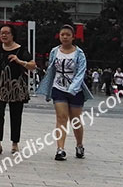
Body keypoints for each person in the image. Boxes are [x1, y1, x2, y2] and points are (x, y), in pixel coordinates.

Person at [37, 24, 93, 160]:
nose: (65, 37)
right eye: (62, 34)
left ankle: (79, 145)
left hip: (76, 90)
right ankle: (60, 149)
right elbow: (51, 69)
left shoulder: (79, 53)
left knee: (75, 119)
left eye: (68, 34)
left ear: (73, 37)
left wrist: (73, 88)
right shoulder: (54, 51)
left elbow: (81, 72)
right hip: (58, 88)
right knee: (61, 117)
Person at [0, 24, 36, 155]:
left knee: (16, 115)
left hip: (16, 87)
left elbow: (32, 65)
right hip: (0, 86)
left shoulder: (21, 50)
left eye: (7, 33)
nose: (4, 35)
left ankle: (15, 144)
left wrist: (20, 61)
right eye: (2, 33)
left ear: (13, 35)